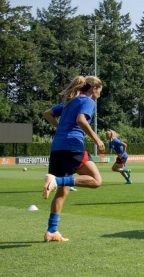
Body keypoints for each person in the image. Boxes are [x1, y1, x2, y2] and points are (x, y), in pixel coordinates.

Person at [42, 75, 105, 242]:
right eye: (100, 91)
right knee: (96, 180)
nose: (100, 94)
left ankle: (51, 231)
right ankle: (56, 181)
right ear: (94, 89)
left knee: (63, 192)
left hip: (57, 147)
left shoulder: (69, 102)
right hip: (73, 147)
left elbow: (47, 114)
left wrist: (60, 127)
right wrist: (97, 139)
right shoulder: (88, 101)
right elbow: (81, 119)